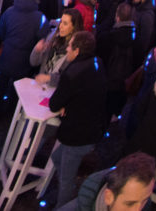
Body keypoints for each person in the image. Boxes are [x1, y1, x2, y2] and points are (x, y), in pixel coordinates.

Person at [48, 31, 107, 209]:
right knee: (56, 158)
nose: (67, 48)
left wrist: (65, 104)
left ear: (77, 50)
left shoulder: (72, 72)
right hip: (92, 129)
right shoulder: (97, 62)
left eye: (70, 46)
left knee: (66, 180)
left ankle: (63, 205)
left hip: (78, 135)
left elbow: (54, 104)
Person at [0, 0, 46, 100]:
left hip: (7, 55)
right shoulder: (40, 17)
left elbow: (1, 32)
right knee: (17, 93)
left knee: (1, 87)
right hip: (25, 61)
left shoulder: (9, 11)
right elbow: (42, 40)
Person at [57, 152, 155, 211]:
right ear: (108, 197)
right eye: (130, 204)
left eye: (144, 201)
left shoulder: (141, 200)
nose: (138, 209)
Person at [31, 8, 84, 88]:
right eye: (61, 22)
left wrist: (49, 78)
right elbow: (34, 62)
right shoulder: (52, 37)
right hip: (42, 87)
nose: (60, 26)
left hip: (57, 90)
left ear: (74, 27)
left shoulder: (75, 50)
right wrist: (37, 50)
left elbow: (70, 79)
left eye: (65, 23)